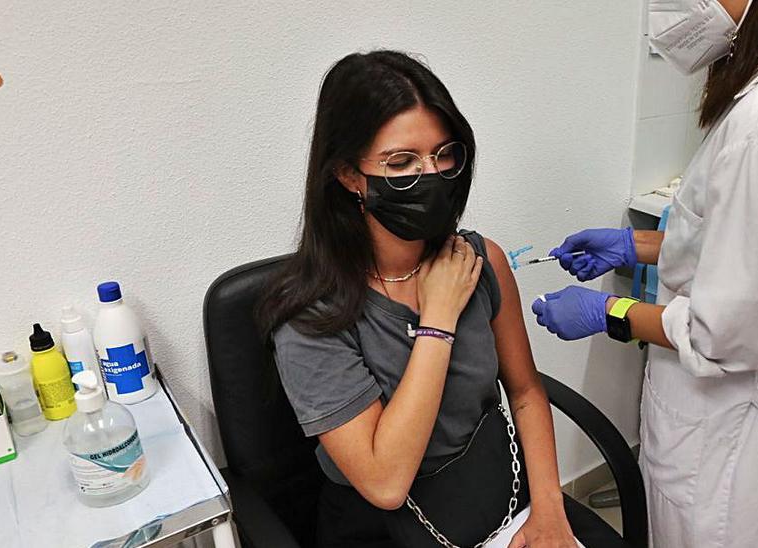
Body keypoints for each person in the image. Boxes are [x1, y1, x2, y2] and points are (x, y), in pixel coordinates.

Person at [532, 1, 758, 546]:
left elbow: (720, 336)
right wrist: (634, 245)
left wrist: (609, 312)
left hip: (733, 450)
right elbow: (750, 251)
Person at [257, 50, 622, 548]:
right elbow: (385, 482)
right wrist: (439, 319)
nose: (431, 175)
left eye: (444, 154)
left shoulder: (480, 260)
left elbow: (526, 392)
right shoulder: (310, 316)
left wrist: (550, 512)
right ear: (347, 176)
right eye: (401, 162)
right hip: (388, 526)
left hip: (502, 494)